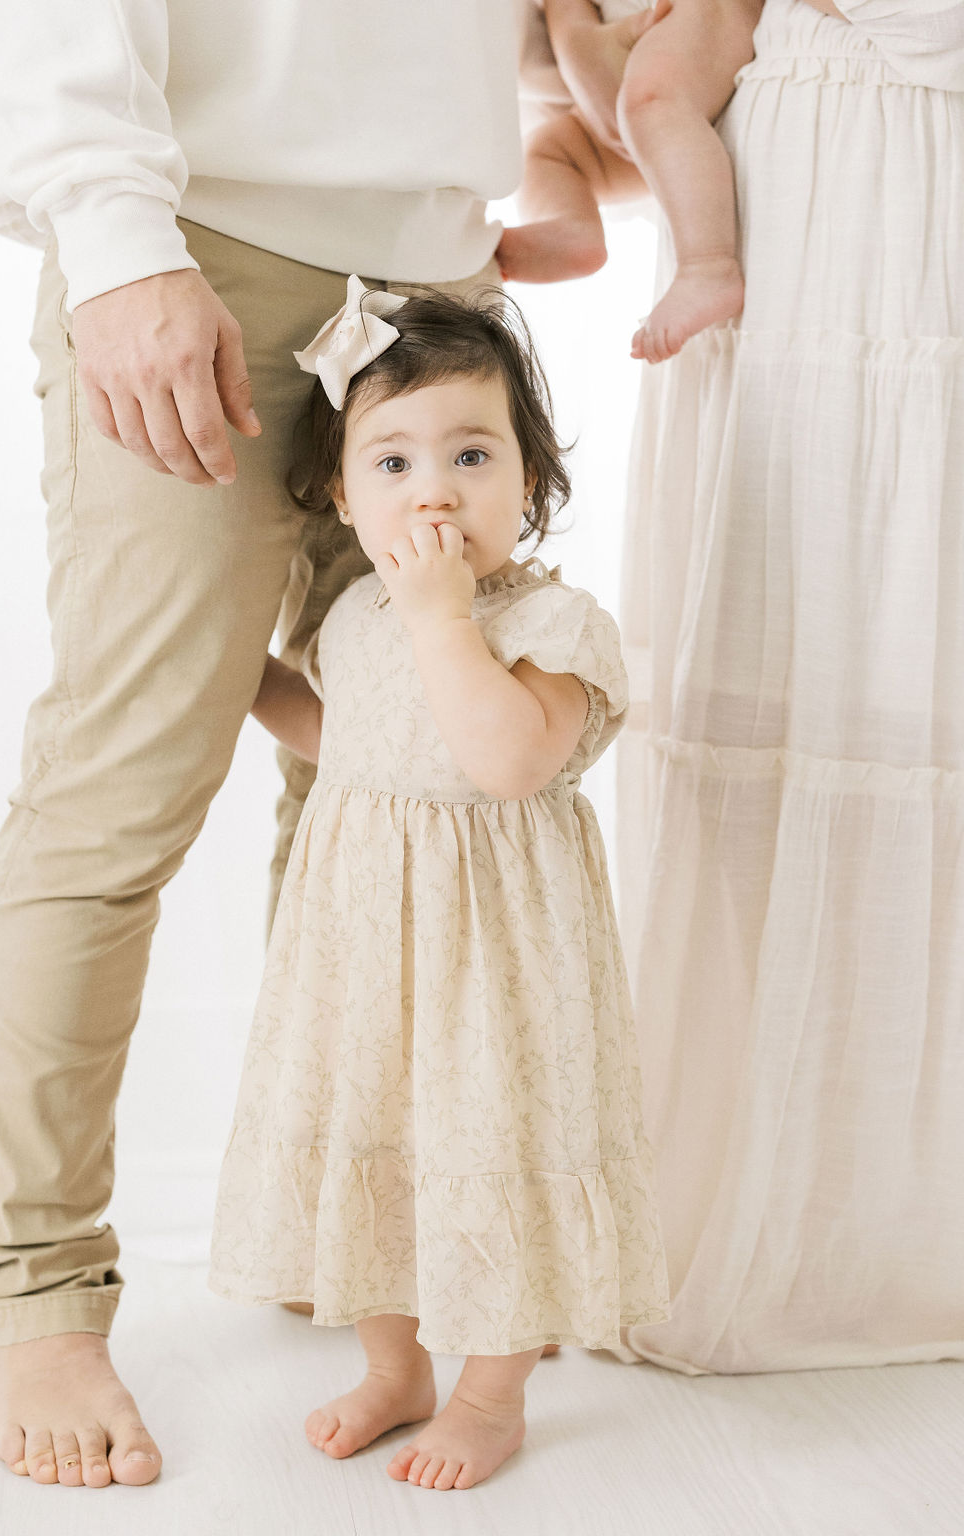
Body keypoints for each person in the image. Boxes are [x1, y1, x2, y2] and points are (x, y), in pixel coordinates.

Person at [0, 0, 529, 1489]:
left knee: (394, 784)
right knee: (124, 784)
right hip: (200, 238)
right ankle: (39, 1299)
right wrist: (114, 231)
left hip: (442, 267)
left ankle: (335, 1223)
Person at [207, 283, 670, 1492]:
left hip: (496, 967)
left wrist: (443, 620)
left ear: (530, 479)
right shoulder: (359, 609)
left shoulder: (549, 622)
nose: (434, 490)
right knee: (377, 1132)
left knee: (494, 1143)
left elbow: (506, 758)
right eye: (394, 460)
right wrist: (241, 679)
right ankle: (394, 1365)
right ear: (341, 495)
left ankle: (487, 1393)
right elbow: (349, 735)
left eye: (472, 453)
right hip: (368, 945)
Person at [614, 0, 964, 1374]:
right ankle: (791, 1185)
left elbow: (656, 83)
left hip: (878, 227)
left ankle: (891, 1206)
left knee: (894, 655)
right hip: (820, 234)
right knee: (801, 652)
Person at [499, 0, 763, 362]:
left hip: (692, 31)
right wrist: (580, 39)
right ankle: (570, 226)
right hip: (616, 88)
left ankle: (707, 266)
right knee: (546, 152)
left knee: (653, 99)